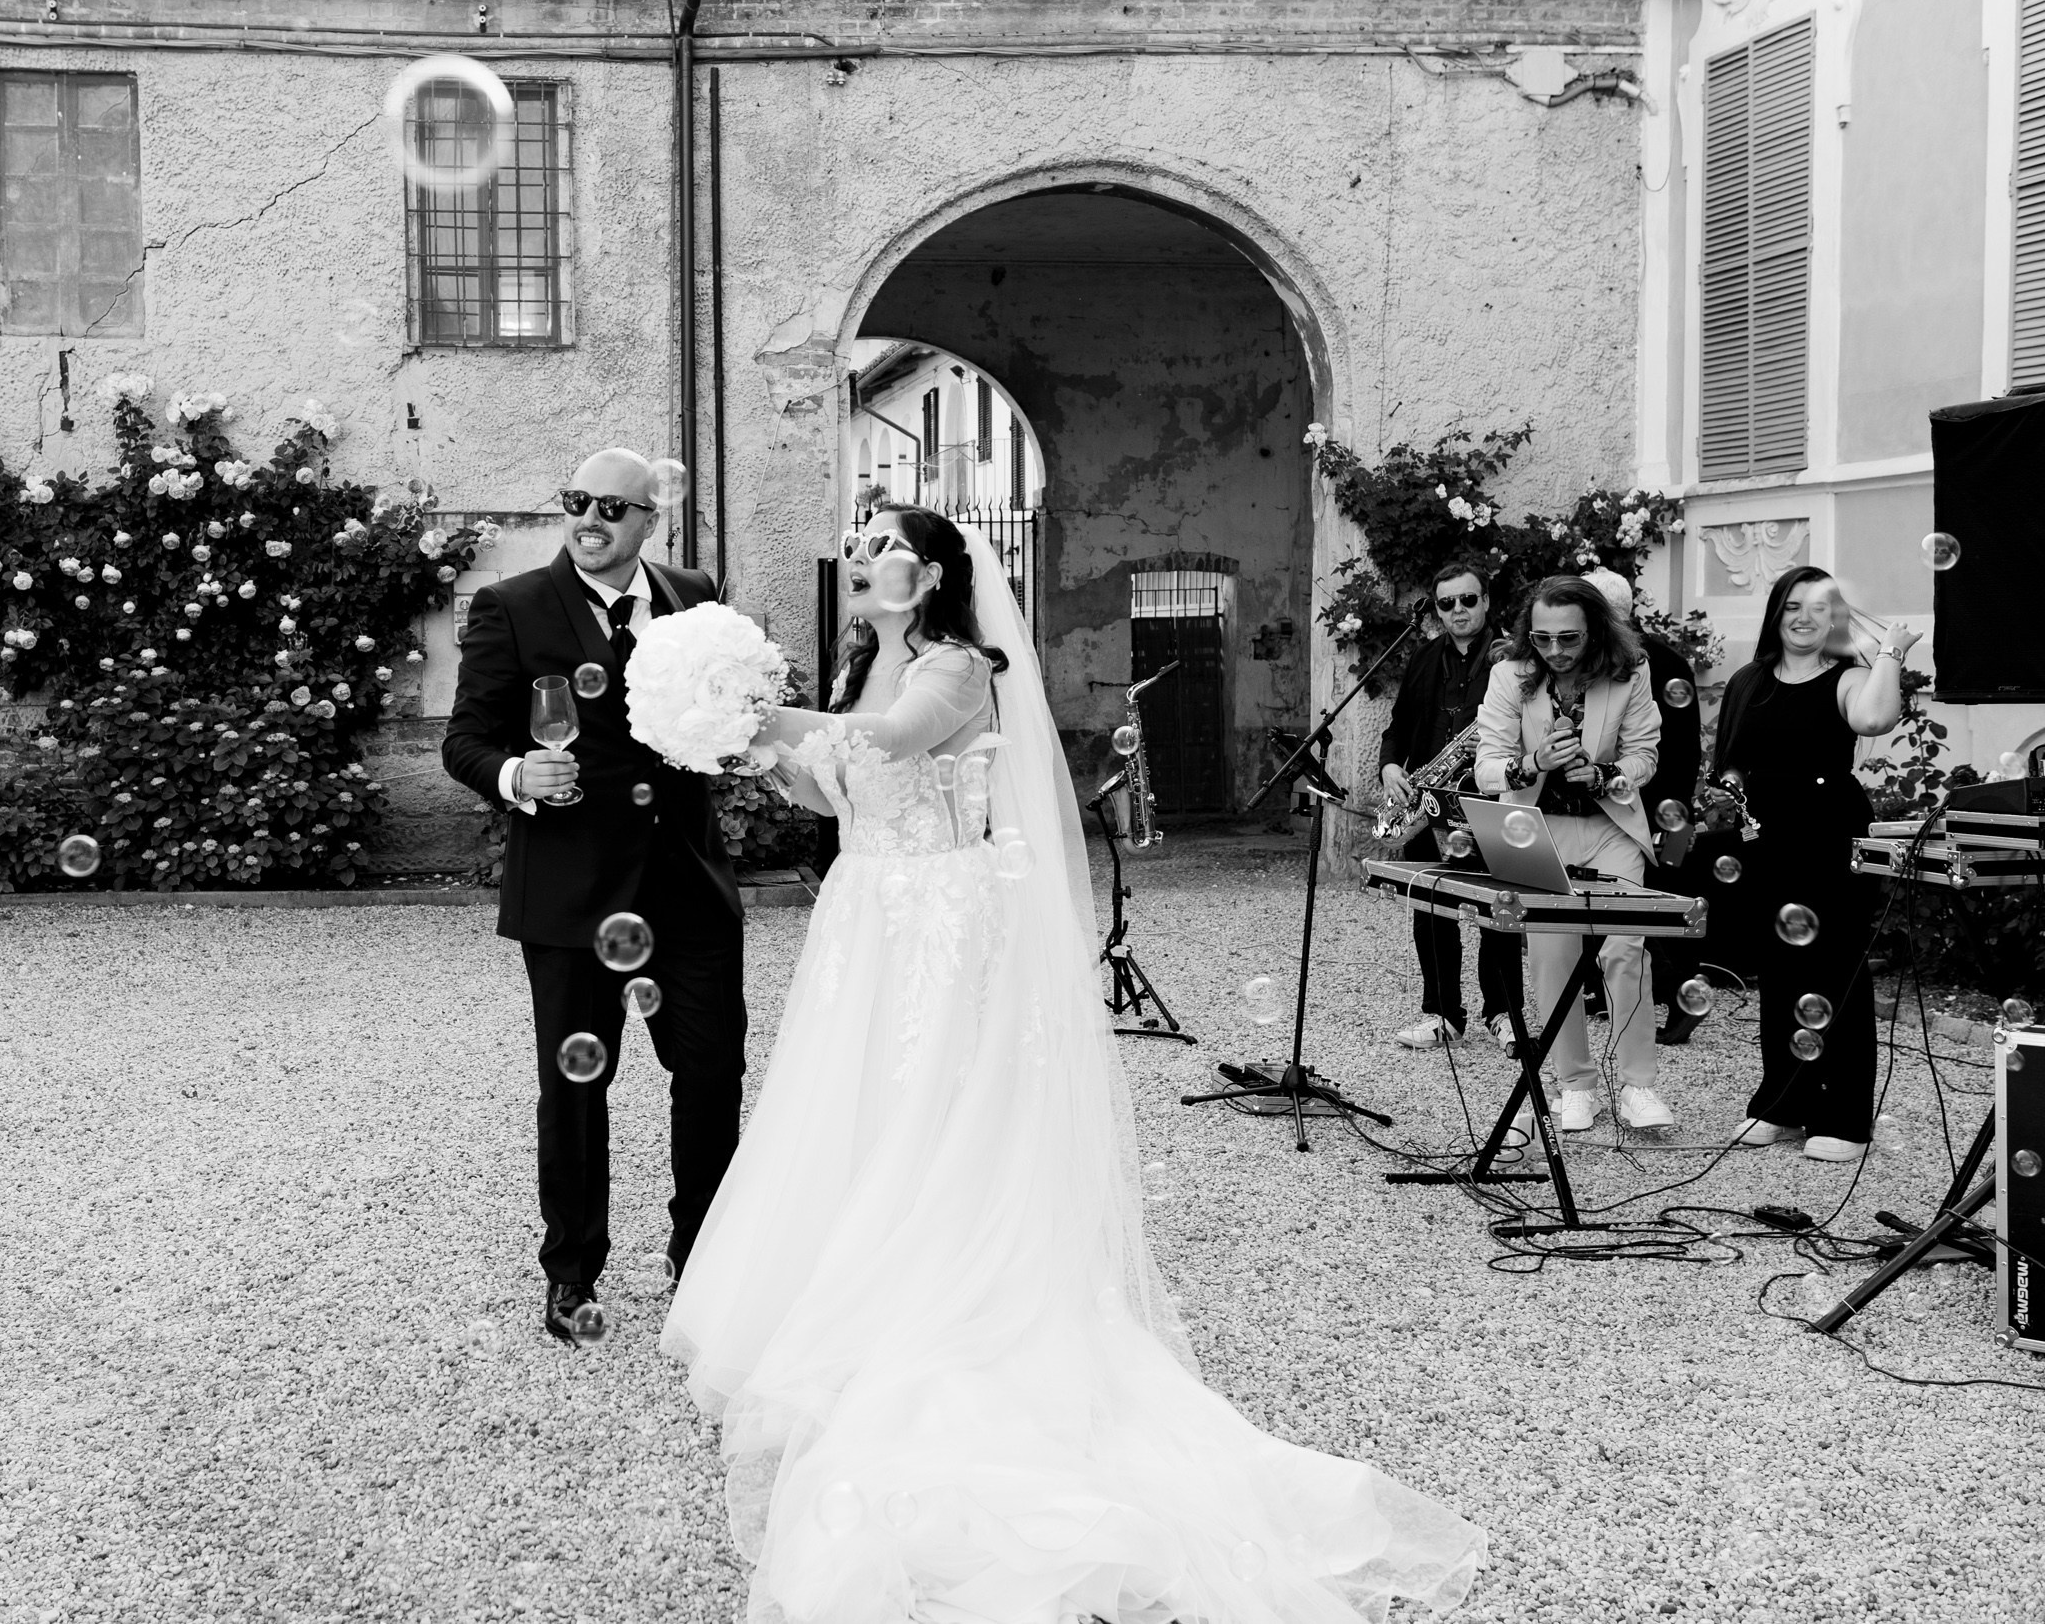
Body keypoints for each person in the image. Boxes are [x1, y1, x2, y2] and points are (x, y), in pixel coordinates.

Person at [663, 507, 1486, 1622]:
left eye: (881, 552)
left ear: (936, 571)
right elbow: (836, 786)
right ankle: (853, 1293)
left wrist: (754, 706)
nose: (860, 566)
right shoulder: (867, 661)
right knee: (856, 1109)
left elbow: (894, 742)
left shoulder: (958, 666)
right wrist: (754, 748)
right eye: (854, 555)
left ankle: (937, 1298)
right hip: (865, 916)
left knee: (933, 1110)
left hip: (941, 925)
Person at [440, 447, 747, 1346]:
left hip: (687, 886)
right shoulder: (514, 606)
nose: (591, 518)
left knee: (712, 1076)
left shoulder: (694, 595)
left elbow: (723, 717)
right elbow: (465, 740)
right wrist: (513, 771)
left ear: (653, 518)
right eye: (576, 499)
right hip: (574, 897)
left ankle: (703, 1260)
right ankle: (572, 1274)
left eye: (614, 505)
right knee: (576, 1089)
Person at [1712, 566, 1916, 1163]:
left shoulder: (1850, 678)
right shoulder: (1749, 679)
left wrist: (1893, 653)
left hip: (1830, 836)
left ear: (1835, 619)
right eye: (1791, 605)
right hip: (1766, 838)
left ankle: (1846, 1118)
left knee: (1836, 972)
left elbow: (1874, 720)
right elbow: (1732, 761)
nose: (1803, 617)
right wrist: (1724, 795)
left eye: (1818, 608)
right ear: (1776, 613)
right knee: (1780, 970)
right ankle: (1783, 1103)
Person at [1470, 574, 1668, 1133]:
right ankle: (1575, 1084)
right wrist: (1533, 763)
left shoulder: (1630, 672)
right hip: (1535, 828)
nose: (1554, 651)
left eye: (1569, 639)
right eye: (1542, 638)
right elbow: (1488, 766)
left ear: (1596, 631)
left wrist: (1603, 774)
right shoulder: (1509, 674)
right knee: (1552, 957)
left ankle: (1637, 1086)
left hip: (1609, 827)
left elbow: (1644, 756)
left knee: (1625, 951)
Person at [1377, 559, 1522, 1050]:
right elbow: (1396, 727)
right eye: (1446, 603)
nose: (1457, 610)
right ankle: (1442, 1013)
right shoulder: (1423, 658)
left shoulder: (1512, 659)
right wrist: (1390, 766)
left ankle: (1503, 1013)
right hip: (1431, 801)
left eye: (1468, 599)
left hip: (1493, 798)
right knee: (1430, 908)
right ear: (1436, 609)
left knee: (1498, 913)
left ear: (1486, 601)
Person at [1581, 568, 1710, 1044]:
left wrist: (1664, 814)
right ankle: (1603, 989)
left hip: (1649, 803)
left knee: (1650, 908)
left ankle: (1682, 1002)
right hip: (1612, 801)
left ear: (1618, 612)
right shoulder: (1599, 659)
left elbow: (1678, 749)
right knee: (1606, 900)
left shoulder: (1660, 662)